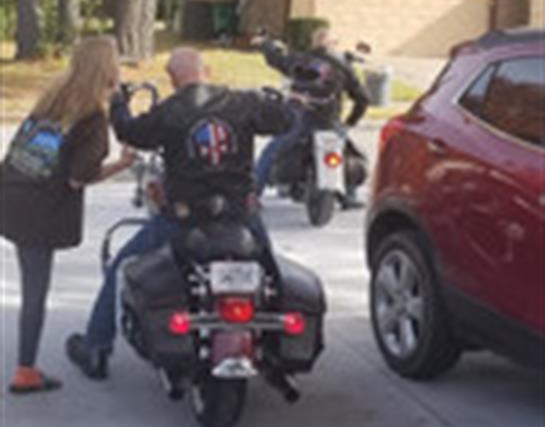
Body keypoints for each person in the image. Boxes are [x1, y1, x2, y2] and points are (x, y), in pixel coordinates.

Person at [66, 47, 296, 380]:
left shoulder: (170, 111)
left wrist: (118, 102)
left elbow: (130, 132)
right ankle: (277, 349)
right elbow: (287, 120)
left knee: (120, 266)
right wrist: (290, 102)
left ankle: (95, 348)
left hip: (185, 219)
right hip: (239, 214)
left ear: (173, 81)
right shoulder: (242, 103)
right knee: (270, 269)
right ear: (208, 71)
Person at [0, 36, 136, 394]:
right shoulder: (92, 118)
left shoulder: (54, 97)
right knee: (35, 292)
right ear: (108, 69)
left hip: (12, 194)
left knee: (32, 284)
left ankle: (26, 366)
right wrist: (121, 165)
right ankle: (26, 370)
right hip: (40, 209)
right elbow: (79, 178)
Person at [253, 27, 369, 206]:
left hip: (297, 119)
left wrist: (265, 44)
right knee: (348, 151)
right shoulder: (343, 66)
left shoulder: (299, 59)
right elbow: (362, 99)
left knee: (271, 150)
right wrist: (350, 122)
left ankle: (253, 194)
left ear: (313, 42)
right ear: (333, 44)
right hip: (328, 121)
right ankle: (348, 196)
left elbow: (276, 58)